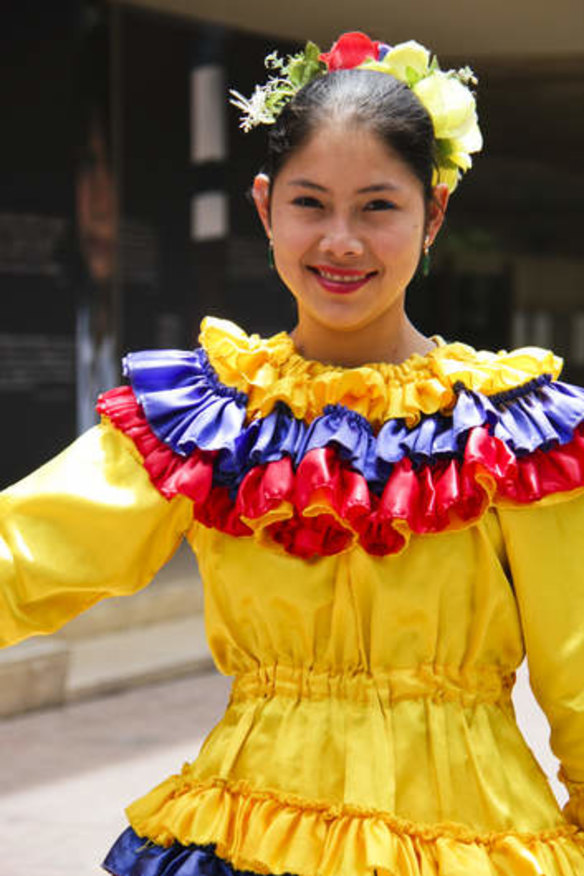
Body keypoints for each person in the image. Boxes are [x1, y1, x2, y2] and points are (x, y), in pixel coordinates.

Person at [2, 29, 584, 876]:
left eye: (377, 207)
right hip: (248, 837)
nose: (340, 241)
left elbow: (579, 668)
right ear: (264, 206)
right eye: (311, 203)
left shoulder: (515, 429)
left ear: (434, 214)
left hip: (469, 841)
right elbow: (25, 556)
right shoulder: (208, 417)